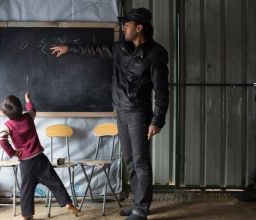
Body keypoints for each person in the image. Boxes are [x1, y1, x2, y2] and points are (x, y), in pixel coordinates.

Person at [50, 7, 169, 220]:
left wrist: (157, 120)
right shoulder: (119, 48)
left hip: (139, 114)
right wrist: (69, 48)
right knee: (130, 160)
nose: (123, 28)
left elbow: (162, 91)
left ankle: (141, 210)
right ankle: (137, 204)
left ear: (139, 27)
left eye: (127, 25)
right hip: (121, 111)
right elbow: (94, 49)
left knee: (140, 161)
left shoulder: (156, 54)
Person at [0, 92, 78, 220]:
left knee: (26, 190)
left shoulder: (7, 126)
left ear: (7, 114)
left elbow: (1, 140)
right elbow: (32, 109)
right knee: (55, 182)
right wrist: (27, 99)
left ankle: (26, 215)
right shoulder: (28, 117)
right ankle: (67, 203)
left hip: (26, 163)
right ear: (20, 107)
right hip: (40, 158)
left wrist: (13, 153)